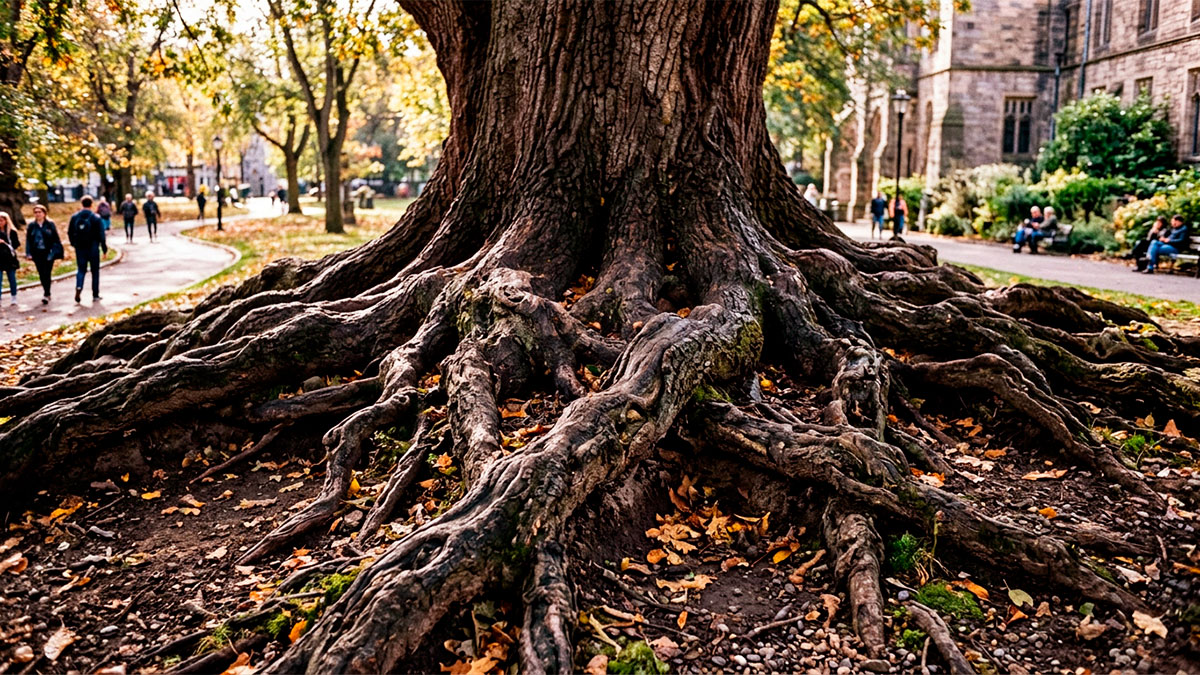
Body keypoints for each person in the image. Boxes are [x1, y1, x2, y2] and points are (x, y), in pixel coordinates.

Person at [67, 196, 107, 302]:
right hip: (93, 247)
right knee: (95, 271)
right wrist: (104, 249)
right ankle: (95, 294)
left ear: (82, 204)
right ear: (91, 204)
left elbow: (70, 232)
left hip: (80, 247)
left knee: (81, 269)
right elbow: (101, 235)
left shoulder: (75, 217)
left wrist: (73, 243)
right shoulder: (96, 217)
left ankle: (79, 286)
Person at [25, 204, 62, 304]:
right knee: (41, 273)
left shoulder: (50, 224)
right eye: (35, 212)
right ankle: (46, 290)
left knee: (47, 272)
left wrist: (57, 250)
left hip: (48, 252)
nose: (37, 214)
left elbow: (56, 238)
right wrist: (28, 253)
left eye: (39, 212)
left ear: (44, 213)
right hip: (37, 252)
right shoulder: (32, 226)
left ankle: (47, 293)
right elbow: (28, 240)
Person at [0, 212, 21, 306]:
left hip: (9, 258)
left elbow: (16, 244)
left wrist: (6, 242)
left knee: (12, 278)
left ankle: (14, 296)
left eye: (1, 220)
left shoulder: (11, 232)